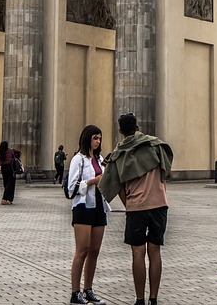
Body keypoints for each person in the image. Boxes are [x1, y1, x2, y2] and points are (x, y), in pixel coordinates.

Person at [99, 113, 172, 305]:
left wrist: (129, 203)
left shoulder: (118, 155)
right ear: (137, 127)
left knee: (137, 252)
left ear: (120, 131)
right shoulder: (155, 146)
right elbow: (167, 170)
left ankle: (139, 299)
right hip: (159, 204)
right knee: (154, 251)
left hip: (136, 208)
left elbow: (115, 186)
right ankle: (153, 299)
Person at [67, 125, 110, 305]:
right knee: (82, 250)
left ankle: (88, 289)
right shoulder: (79, 159)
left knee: (94, 251)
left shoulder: (100, 159)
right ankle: (75, 292)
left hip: (99, 207)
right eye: (94, 138)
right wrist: (94, 181)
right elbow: (72, 188)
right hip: (83, 207)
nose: (97, 141)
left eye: (99, 138)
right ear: (87, 139)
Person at [0, 140, 17, 205]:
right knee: (11, 183)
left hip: (3, 168)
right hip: (10, 168)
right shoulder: (10, 151)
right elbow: (18, 153)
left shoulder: (1, 152)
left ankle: (5, 198)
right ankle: (7, 199)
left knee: (6, 183)